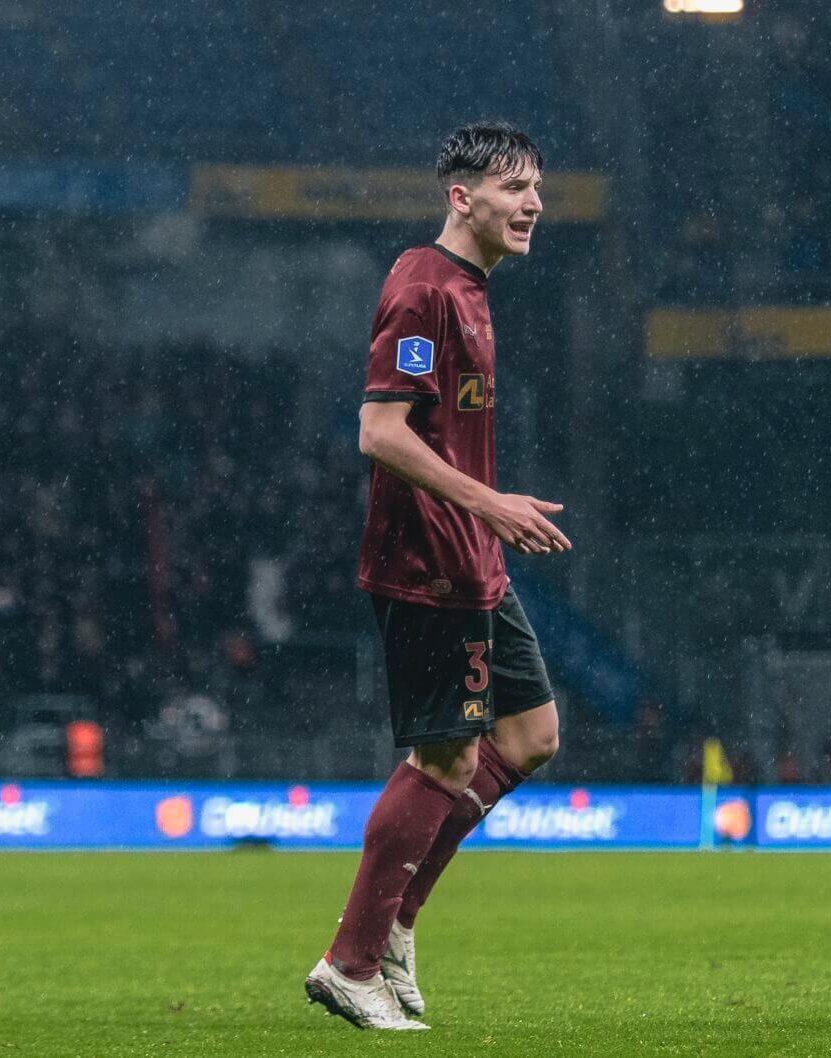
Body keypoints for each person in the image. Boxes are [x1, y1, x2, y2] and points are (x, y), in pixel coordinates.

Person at [304, 121, 568, 1031]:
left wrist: (487, 523)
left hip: (474, 560)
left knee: (530, 737)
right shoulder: (424, 289)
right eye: (514, 187)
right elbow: (381, 433)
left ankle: (399, 920)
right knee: (445, 756)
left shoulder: (471, 289)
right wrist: (491, 504)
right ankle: (351, 961)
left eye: (537, 186)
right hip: (428, 564)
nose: (533, 202)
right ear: (462, 198)